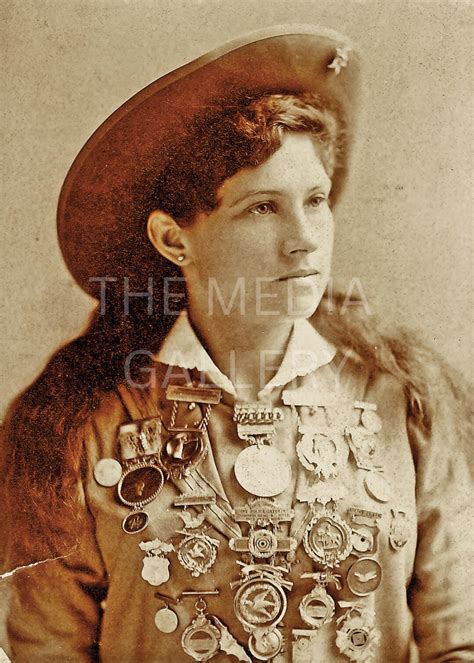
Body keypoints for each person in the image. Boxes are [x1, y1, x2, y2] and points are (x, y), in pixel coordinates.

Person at [1, 25, 472, 663]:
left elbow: (461, 639)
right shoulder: (89, 424)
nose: (305, 239)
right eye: (262, 208)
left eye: (316, 200)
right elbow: (47, 651)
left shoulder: (402, 399)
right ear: (174, 240)